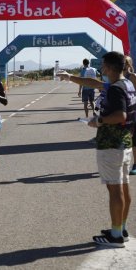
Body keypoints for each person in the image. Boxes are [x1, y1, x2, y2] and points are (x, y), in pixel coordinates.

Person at [57, 51, 134, 248]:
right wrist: (71, 78)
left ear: (109, 67)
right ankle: (121, 228)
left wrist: (98, 120)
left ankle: (116, 236)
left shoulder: (116, 89)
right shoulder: (126, 84)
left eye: (103, 66)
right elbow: (94, 84)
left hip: (112, 143)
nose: (101, 69)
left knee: (115, 189)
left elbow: (120, 115)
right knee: (123, 186)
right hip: (124, 143)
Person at [123, 56, 136, 175]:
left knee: (134, 140)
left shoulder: (133, 77)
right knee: (126, 139)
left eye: (125, 62)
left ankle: (135, 164)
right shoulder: (118, 77)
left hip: (133, 111)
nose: (123, 64)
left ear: (129, 64)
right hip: (122, 112)